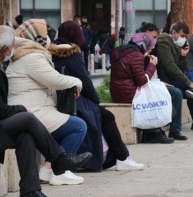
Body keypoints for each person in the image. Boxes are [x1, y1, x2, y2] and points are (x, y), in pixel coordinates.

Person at [0, 25, 92, 197]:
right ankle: (59, 159)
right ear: (4, 49)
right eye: (11, 45)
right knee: (27, 118)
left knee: (24, 135)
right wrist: (21, 108)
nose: (13, 48)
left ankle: (31, 191)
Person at [50, 21, 145, 171]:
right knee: (106, 116)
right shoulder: (71, 54)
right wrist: (95, 101)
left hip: (59, 99)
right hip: (73, 101)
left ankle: (121, 157)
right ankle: (122, 157)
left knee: (104, 117)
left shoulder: (52, 52)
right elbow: (85, 81)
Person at [6, 19, 88, 185]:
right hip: (32, 111)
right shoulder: (31, 57)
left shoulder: (23, 53)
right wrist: (77, 82)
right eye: (45, 34)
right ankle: (59, 171)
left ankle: (48, 169)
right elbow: (54, 79)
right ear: (37, 36)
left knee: (70, 124)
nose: (49, 37)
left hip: (32, 109)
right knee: (78, 126)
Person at [110, 33, 175, 143]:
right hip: (129, 93)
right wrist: (152, 65)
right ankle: (153, 133)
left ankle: (153, 132)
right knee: (158, 95)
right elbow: (142, 80)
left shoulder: (120, 51)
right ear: (144, 45)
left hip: (117, 91)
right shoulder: (136, 55)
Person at [141, 22, 188, 140]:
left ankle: (175, 130)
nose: (152, 40)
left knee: (176, 92)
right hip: (145, 84)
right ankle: (155, 131)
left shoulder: (156, 48)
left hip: (157, 81)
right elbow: (140, 75)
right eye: (149, 37)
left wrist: (182, 56)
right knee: (175, 92)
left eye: (155, 37)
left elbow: (162, 68)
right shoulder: (139, 50)